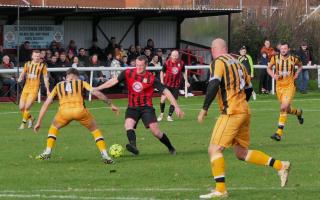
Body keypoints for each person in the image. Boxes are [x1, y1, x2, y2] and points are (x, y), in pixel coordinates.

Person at [198, 38, 291, 199]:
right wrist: (240, 104)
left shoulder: (218, 62)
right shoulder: (237, 63)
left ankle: (221, 190)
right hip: (244, 111)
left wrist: (204, 109)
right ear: (225, 48)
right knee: (241, 153)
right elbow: (248, 89)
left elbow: (213, 84)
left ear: (213, 50)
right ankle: (281, 165)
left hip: (232, 111)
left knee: (214, 149)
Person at [95, 55, 184, 155]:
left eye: (141, 65)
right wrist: (99, 88)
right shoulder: (128, 72)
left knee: (156, 132)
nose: (138, 67)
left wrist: (176, 106)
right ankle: (133, 147)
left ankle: (170, 147)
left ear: (146, 65)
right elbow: (114, 81)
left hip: (147, 108)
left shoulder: (151, 78)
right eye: (137, 65)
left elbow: (166, 92)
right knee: (128, 125)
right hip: (132, 107)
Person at [33, 68, 119, 164]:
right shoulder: (81, 82)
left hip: (64, 112)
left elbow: (46, 104)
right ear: (77, 76)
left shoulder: (58, 85)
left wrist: (38, 122)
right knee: (95, 130)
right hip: (80, 111)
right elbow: (96, 92)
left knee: (53, 127)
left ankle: (48, 151)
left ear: (66, 77)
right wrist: (111, 104)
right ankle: (105, 155)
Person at [267, 42, 304, 141]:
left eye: (285, 48)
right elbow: (268, 68)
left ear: (288, 49)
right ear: (280, 50)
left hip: (289, 86)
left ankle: (278, 133)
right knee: (286, 109)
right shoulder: (275, 58)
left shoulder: (294, 58)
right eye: (281, 49)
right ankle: (298, 112)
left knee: (283, 107)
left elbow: (300, 66)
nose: (283, 50)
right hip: (279, 87)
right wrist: (273, 76)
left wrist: (296, 74)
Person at [17, 50, 50, 129]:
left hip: (34, 88)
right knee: (21, 107)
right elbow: (23, 73)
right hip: (26, 87)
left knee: (27, 107)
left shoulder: (43, 66)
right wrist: (20, 78)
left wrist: (47, 89)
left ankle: (23, 124)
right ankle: (31, 119)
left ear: (40, 57)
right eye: (35, 56)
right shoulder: (27, 64)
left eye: (38, 56)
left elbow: (45, 78)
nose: (36, 57)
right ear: (32, 56)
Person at [157, 50, 189, 122]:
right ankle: (161, 114)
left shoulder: (181, 63)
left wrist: (186, 81)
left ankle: (169, 116)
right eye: (174, 56)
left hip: (176, 85)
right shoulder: (167, 63)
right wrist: (162, 81)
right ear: (171, 56)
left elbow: (184, 72)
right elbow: (162, 72)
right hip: (167, 84)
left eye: (176, 56)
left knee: (173, 101)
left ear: (178, 56)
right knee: (162, 100)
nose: (175, 57)